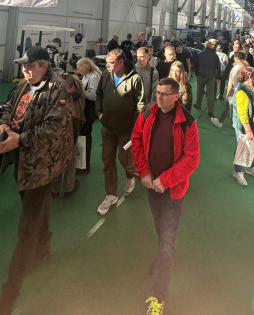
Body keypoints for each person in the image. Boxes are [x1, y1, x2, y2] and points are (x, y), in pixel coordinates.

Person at [0, 47, 73, 315]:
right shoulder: (24, 84)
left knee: (26, 228)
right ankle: (44, 249)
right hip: (22, 161)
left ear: (44, 66)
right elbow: (10, 108)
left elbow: (54, 128)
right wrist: (4, 125)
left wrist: (20, 140)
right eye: (24, 65)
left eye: (31, 65)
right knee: (35, 207)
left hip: (42, 165)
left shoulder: (58, 90)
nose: (25, 69)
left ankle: (7, 298)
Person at [132, 78, 199, 315]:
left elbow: (191, 159)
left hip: (173, 190)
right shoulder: (147, 114)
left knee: (168, 238)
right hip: (152, 186)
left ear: (176, 96)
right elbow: (136, 141)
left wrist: (165, 180)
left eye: (164, 94)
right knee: (161, 230)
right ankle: (164, 259)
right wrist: (144, 172)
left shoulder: (187, 122)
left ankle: (157, 296)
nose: (158, 97)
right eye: (157, 92)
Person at [95, 49, 145, 215]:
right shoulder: (105, 76)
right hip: (108, 128)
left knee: (125, 159)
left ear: (121, 62)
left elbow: (140, 105)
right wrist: (99, 113)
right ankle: (111, 195)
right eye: (106, 63)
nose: (107, 66)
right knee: (107, 159)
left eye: (110, 63)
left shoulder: (135, 79)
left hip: (127, 130)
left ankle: (130, 175)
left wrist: (136, 128)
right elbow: (99, 95)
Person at [51, 71, 85, 198]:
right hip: (73, 118)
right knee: (71, 153)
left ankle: (54, 189)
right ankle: (68, 187)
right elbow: (81, 101)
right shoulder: (74, 80)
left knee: (56, 154)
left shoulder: (46, 82)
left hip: (54, 121)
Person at [231, 66, 254, 186]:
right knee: (242, 148)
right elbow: (242, 113)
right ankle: (238, 171)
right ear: (249, 77)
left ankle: (250, 166)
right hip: (247, 127)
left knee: (251, 147)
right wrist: (248, 130)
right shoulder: (242, 92)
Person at [76, 58, 101, 174]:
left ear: (85, 67)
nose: (77, 70)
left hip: (89, 111)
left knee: (84, 137)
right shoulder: (87, 75)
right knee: (82, 137)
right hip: (85, 110)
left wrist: (79, 92)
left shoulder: (93, 77)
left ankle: (84, 165)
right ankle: (82, 164)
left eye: (79, 68)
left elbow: (94, 96)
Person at [193, 41, 222, 126]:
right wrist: (218, 76)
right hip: (211, 76)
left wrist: (197, 73)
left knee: (200, 90)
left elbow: (195, 64)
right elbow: (218, 66)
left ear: (205, 45)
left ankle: (198, 104)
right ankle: (210, 110)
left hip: (201, 75)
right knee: (211, 93)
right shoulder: (215, 55)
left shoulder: (200, 54)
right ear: (211, 46)